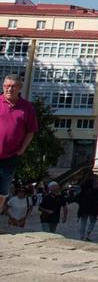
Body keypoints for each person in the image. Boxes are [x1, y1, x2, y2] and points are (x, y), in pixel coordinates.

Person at [0, 74, 38, 214]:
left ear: (19, 88)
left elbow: (31, 131)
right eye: (6, 86)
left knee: (3, 189)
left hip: (11, 156)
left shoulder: (27, 108)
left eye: (13, 86)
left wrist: (22, 150)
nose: (9, 89)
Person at [76, 175, 98, 240]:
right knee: (93, 221)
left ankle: (82, 236)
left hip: (84, 208)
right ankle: (88, 233)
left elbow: (79, 199)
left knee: (83, 223)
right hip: (93, 209)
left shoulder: (84, 190)